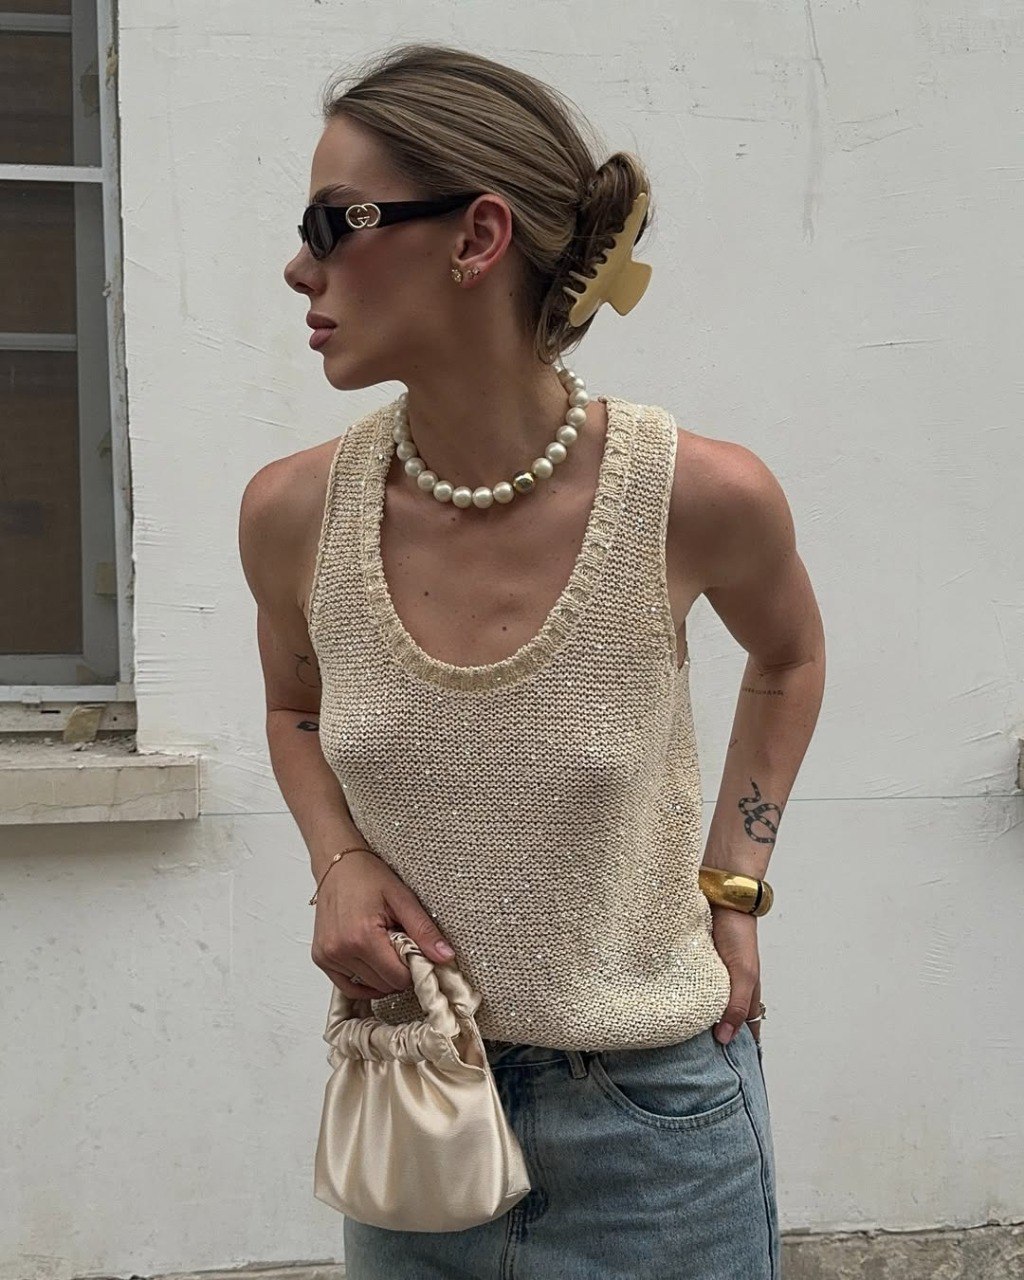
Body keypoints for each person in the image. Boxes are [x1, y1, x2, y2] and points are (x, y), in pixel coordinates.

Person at [238, 41, 825, 1280]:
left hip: (657, 1135)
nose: (300, 266)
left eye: (333, 223)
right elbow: (294, 708)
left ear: (477, 236)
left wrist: (734, 888)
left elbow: (788, 658)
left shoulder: (695, 496)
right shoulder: (293, 516)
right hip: (415, 1108)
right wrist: (337, 858)